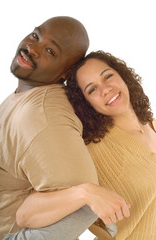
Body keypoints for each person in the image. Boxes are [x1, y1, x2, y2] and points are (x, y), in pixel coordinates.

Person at [0, 17, 130, 240]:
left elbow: (83, 210)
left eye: (50, 51)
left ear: (65, 73)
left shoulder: (42, 116)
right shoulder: (27, 94)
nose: (32, 48)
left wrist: (84, 193)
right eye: (35, 35)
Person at [66, 50, 156, 240]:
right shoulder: (91, 152)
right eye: (92, 89)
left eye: (108, 76)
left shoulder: (152, 123)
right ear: (86, 103)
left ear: (123, 76)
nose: (105, 89)